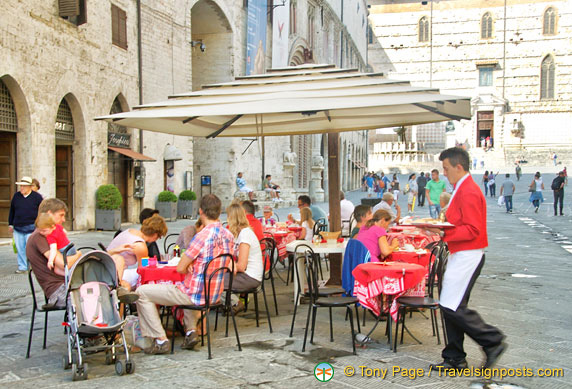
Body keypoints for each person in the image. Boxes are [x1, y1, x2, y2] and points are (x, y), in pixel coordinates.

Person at [429, 147, 505, 371]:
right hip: (462, 253)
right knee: (450, 305)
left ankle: (492, 340)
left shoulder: (468, 191)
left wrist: (443, 233)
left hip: (468, 254)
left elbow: (473, 229)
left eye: (446, 168)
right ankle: (454, 357)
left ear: (458, 167)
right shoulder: (463, 188)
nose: (444, 173)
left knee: (451, 306)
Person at [136, 194, 234, 354]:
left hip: (195, 295)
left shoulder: (201, 237)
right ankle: (190, 332)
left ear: (201, 211)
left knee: (141, 293)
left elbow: (181, 268)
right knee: (187, 284)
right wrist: (193, 265)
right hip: (215, 294)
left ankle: (160, 340)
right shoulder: (228, 235)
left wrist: (188, 264)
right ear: (219, 211)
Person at [107, 214, 168, 289]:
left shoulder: (130, 231)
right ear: (155, 235)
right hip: (117, 274)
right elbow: (143, 268)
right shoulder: (140, 246)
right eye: (159, 237)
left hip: (107, 269)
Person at [224, 203, 264, 314]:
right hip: (246, 275)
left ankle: (235, 303)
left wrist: (226, 265)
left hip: (250, 277)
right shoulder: (239, 234)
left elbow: (241, 266)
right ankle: (230, 302)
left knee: (212, 282)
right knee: (213, 279)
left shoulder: (245, 234)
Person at [9, 176, 44, 273]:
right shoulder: (16, 196)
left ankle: (33, 266)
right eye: (21, 186)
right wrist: (10, 224)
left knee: (30, 248)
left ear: (29, 187)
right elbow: (12, 210)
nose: (22, 188)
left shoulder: (37, 197)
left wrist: (40, 225)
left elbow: (41, 211)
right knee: (20, 248)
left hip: (31, 227)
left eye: (24, 186)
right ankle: (22, 267)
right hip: (18, 227)